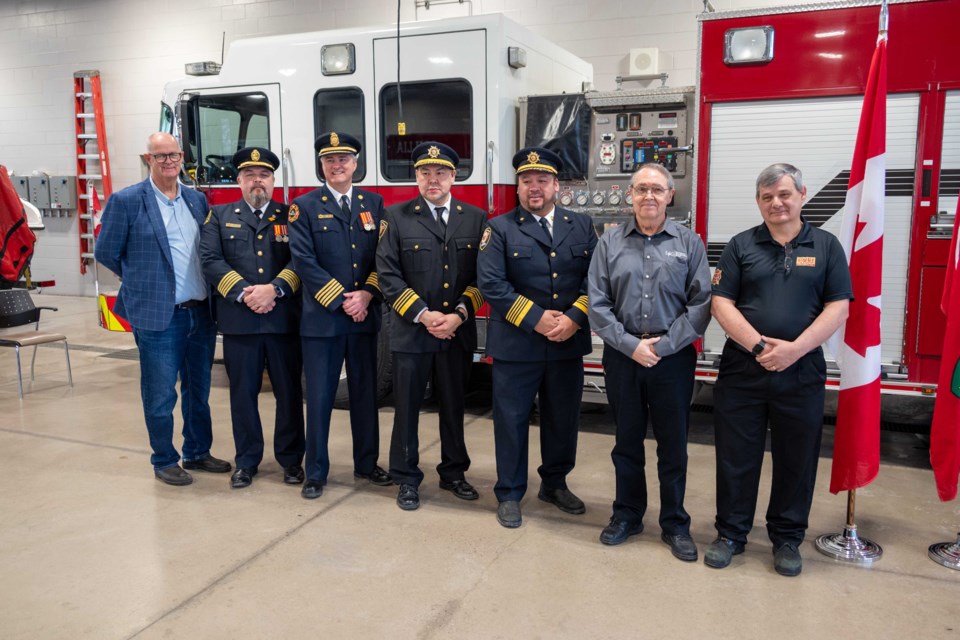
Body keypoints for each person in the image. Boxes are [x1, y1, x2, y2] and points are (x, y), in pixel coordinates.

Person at [708, 163, 852, 576]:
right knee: (736, 457)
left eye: (784, 194)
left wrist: (794, 350)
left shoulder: (826, 246)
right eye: (767, 197)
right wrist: (758, 346)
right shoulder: (740, 246)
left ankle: (787, 538)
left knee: (797, 458)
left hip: (801, 370)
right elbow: (722, 303)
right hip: (742, 370)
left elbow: (838, 306)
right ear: (758, 201)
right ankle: (731, 533)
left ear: (802, 195)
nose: (777, 203)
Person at [587, 163, 711, 561]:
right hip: (623, 357)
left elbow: (701, 304)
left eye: (657, 189)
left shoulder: (690, 243)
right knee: (626, 441)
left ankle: (675, 523)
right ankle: (627, 515)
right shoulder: (608, 244)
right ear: (630, 195)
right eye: (641, 189)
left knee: (673, 445)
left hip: (672, 360)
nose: (649, 197)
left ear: (670, 196)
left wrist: (662, 346)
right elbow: (598, 303)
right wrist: (629, 345)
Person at [95, 132, 231, 485]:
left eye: (173, 155)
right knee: (160, 394)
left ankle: (198, 452)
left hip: (199, 312)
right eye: (160, 156)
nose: (168, 161)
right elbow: (106, 252)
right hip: (159, 316)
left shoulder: (196, 200)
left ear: (182, 157)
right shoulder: (126, 201)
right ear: (148, 159)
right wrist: (143, 282)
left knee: (198, 390)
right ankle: (164, 459)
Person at [477, 147, 597, 528]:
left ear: (556, 185)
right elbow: (492, 285)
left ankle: (555, 483)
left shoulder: (581, 225)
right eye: (526, 181)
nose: (534, 187)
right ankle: (510, 492)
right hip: (518, 344)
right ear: (517, 186)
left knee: (563, 418)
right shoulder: (499, 228)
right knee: (511, 420)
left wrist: (576, 318)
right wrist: (537, 319)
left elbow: (597, 279)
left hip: (567, 342)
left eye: (542, 180)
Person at [376, 142, 486, 511]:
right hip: (412, 330)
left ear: (454, 176)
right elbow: (388, 275)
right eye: (424, 172)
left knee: (454, 405)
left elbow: (482, 278)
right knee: (406, 407)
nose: (432, 179)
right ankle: (406, 477)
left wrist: (457, 315)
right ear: (417, 177)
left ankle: (454, 473)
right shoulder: (396, 216)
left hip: (456, 331)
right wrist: (424, 315)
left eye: (440, 172)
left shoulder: (476, 218)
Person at [288, 132, 391, 499]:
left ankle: (367, 464)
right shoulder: (303, 206)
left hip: (363, 318)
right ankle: (315, 471)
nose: (337, 165)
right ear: (321, 165)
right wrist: (342, 300)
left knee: (365, 396)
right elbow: (303, 261)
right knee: (318, 398)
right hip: (323, 321)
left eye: (344, 159)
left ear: (356, 163)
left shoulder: (374, 203)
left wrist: (367, 294)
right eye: (330, 160)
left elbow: (383, 257)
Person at [199, 147, 305, 489]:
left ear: (273, 180)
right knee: (242, 395)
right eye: (249, 175)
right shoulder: (218, 215)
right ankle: (246, 460)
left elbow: (301, 259)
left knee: (288, 393)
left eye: (263, 175)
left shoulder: (290, 215)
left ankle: (291, 461)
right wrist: (247, 293)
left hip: (282, 320)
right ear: (239, 180)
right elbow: (211, 260)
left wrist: (274, 290)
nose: (256, 181)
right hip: (239, 322)